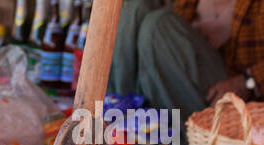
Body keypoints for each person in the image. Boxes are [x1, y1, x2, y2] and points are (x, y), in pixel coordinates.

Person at [109, 0, 264, 128]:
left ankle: (193, 143)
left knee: (158, 26)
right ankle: (116, 119)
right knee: (134, 8)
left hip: (230, 101)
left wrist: (247, 81)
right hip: (178, 90)